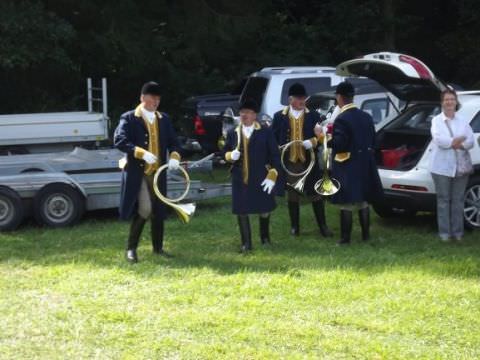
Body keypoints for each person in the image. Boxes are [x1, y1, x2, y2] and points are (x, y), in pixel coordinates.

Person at [114, 81, 181, 262]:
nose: (155, 102)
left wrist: (175, 156)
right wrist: (141, 153)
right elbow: (120, 140)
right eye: (152, 98)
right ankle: (131, 249)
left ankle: (158, 249)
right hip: (138, 173)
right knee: (144, 208)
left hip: (159, 173)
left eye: (158, 99)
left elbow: (175, 142)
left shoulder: (164, 119)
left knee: (159, 210)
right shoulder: (129, 118)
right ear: (142, 98)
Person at [321, 81, 383, 245]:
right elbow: (373, 140)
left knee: (346, 203)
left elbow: (340, 143)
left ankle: (345, 239)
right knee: (363, 201)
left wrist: (324, 137)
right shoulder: (366, 116)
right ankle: (365, 236)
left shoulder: (342, 119)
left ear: (339, 98)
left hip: (347, 165)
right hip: (364, 164)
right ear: (352, 97)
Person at [272, 83, 333, 238]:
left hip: (309, 161)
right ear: (290, 99)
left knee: (315, 194)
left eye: (303, 98)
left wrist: (312, 142)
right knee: (293, 195)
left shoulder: (313, 115)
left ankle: (323, 226)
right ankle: (294, 228)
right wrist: (277, 148)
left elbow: (323, 136)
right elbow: (273, 138)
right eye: (299, 99)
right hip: (291, 162)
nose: (302, 101)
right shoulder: (279, 116)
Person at [223, 98, 281, 252]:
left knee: (264, 209)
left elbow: (275, 155)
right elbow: (223, 153)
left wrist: (273, 175)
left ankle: (265, 238)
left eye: (248, 112)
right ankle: (246, 244)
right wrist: (230, 156)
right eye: (242, 112)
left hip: (261, 176)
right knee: (242, 210)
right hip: (240, 178)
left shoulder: (265, 132)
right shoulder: (232, 133)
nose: (245, 115)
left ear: (255, 115)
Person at [429, 89, 474, 242]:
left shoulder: (463, 121)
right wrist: (456, 141)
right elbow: (439, 140)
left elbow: (471, 141)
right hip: (441, 167)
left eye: (452, 99)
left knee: (458, 200)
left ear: (456, 102)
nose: (449, 102)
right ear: (442, 103)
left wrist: (458, 144)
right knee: (443, 201)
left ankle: (458, 233)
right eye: (446, 99)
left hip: (460, 167)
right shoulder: (436, 121)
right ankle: (444, 234)